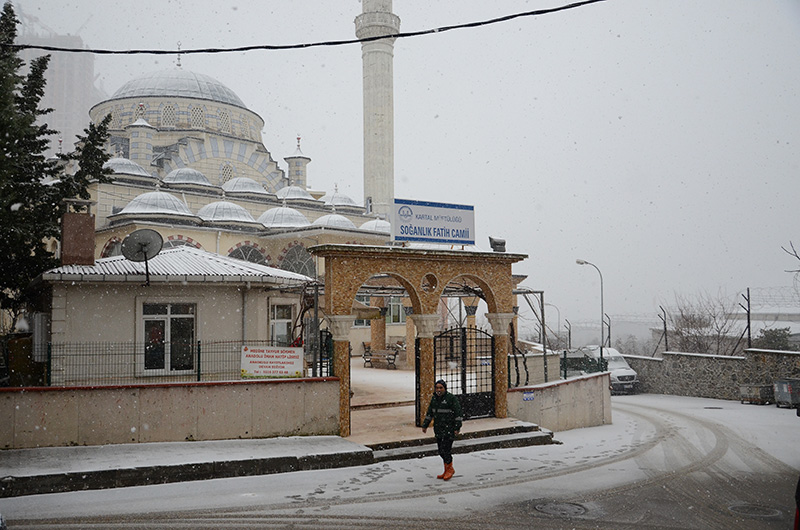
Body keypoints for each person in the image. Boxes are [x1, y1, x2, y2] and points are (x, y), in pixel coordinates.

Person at [422, 379, 463, 480]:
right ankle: (447, 469)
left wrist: (457, 427)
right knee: (441, 451)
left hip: (449, 429)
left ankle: (449, 469)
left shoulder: (451, 399)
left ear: (445, 388)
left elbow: (458, 414)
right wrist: (425, 425)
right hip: (439, 429)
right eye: (437, 388)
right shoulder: (434, 399)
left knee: (446, 450)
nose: (439, 390)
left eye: (441, 388)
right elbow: (430, 413)